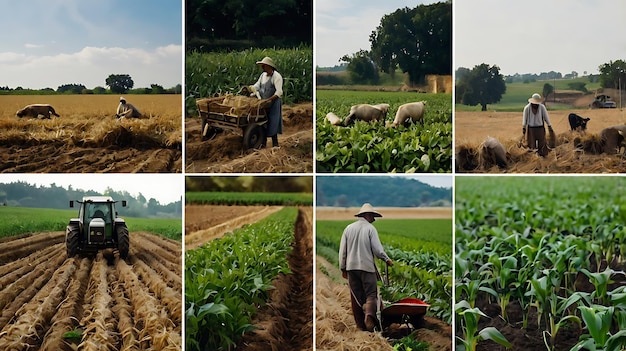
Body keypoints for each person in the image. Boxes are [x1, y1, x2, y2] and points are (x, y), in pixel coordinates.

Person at [339, 203, 393, 332]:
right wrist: (386, 259)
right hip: (367, 267)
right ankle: (369, 316)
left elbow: (343, 251)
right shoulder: (370, 229)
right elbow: (377, 249)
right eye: (373, 216)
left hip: (351, 267)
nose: (374, 219)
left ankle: (360, 326)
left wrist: (342, 267)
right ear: (367, 215)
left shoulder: (348, 228)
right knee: (371, 294)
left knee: (356, 296)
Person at [251, 56, 283, 147]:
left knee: (273, 122)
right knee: (263, 122)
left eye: (264, 66)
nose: (262, 68)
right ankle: (263, 143)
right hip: (263, 103)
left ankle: (275, 144)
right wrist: (251, 88)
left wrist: (269, 100)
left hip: (273, 103)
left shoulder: (276, 77)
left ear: (269, 66)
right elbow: (257, 86)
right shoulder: (263, 76)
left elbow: (279, 92)